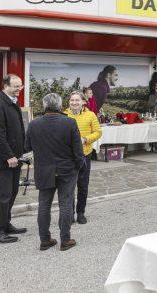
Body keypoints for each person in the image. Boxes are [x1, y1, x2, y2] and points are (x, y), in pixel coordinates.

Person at [26, 93, 83, 251]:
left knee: (44, 205)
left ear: (44, 106)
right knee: (65, 204)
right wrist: (79, 166)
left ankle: (45, 240)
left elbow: (27, 147)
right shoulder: (70, 123)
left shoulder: (34, 124)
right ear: (59, 105)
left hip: (44, 170)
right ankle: (65, 240)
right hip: (67, 170)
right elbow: (78, 150)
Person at [0, 74, 27, 244]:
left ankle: (5, 224)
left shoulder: (11, 101)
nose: (19, 89)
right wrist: (9, 155)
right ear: (5, 85)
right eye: (15, 86)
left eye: (20, 86)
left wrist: (21, 153)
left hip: (14, 158)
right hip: (3, 160)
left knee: (12, 193)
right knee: (2, 196)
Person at [64, 91, 101, 225]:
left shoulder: (90, 115)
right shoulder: (64, 115)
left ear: (84, 102)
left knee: (83, 186)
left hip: (85, 154)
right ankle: (69, 213)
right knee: (69, 187)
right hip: (68, 157)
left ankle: (81, 213)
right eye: (72, 100)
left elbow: (98, 132)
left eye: (77, 100)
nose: (74, 103)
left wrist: (86, 139)